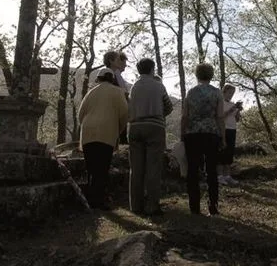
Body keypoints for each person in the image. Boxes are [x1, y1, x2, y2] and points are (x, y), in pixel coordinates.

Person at [127, 58, 174, 217]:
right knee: (153, 167)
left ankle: (135, 206)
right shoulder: (158, 85)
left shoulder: (134, 87)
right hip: (155, 127)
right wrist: (159, 114)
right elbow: (168, 106)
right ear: (152, 68)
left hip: (134, 127)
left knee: (136, 168)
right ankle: (152, 206)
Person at [78, 67, 129, 210]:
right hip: (106, 133)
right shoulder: (117, 92)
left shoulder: (91, 92)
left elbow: (81, 114)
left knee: (91, 168)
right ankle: (98, 202)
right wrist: (118, 130)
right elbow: (125, 114)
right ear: (112, 79)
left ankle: (90, 200)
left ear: (99, 78)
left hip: (88, 134)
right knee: (102, 168)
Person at [180, 62, 225, 215]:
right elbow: (220, 116)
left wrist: (182, 134)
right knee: (212, 170)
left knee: (192, 169)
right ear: (211, 75)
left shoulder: (190, 92)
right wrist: (223, 136)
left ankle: (194, 207)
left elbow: (185, 116)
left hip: (192, 134)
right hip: (211, 133)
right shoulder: (217, 93)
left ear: (197, 75)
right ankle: (213, 205)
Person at [217, 84, 242, 186]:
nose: (231, 95)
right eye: (230, 93)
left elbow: (237, 120)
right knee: (221, 153)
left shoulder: (232, 104)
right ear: (224, 92)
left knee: (229, 153)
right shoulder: (220, 103)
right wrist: (232, 109)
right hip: (223, 130)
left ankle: (227, 176)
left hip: (232, 129)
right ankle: (219, 176)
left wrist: (238, 111)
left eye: (233, 93)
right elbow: (220, 117)